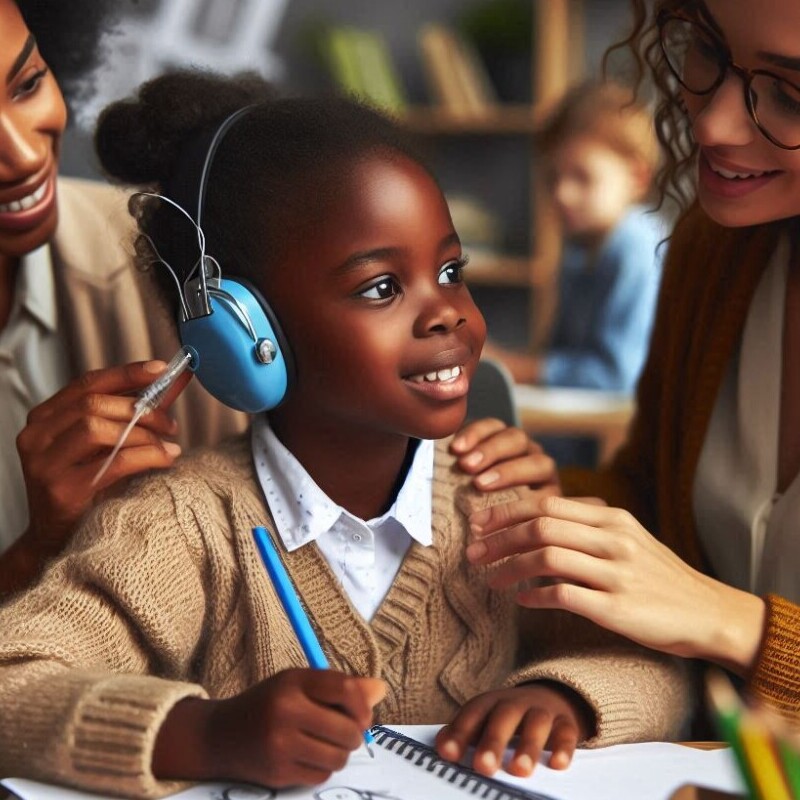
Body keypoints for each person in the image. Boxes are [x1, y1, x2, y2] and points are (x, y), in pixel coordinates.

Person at [0, 69, 690, 797]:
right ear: (244, 335)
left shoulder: (500, 504)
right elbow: (13, 683)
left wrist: (567, 698)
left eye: (451, 270)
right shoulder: (180, 528)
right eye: (381, 288)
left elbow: (658, 665)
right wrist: (203, 734)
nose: (447, 313)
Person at [0, 0, 528, 597]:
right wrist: (31, 556)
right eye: (382, 287)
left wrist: (486, 450)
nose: (21, 156)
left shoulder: (175, 249)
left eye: (27, 84)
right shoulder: (179, 529)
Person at [464, 0, 800, 721]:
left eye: (791, 96)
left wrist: (731, 623)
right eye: (707, 51)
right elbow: (654, 498)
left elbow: (688, 594)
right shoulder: (716, 251)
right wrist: (547, 497)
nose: (710, 124)